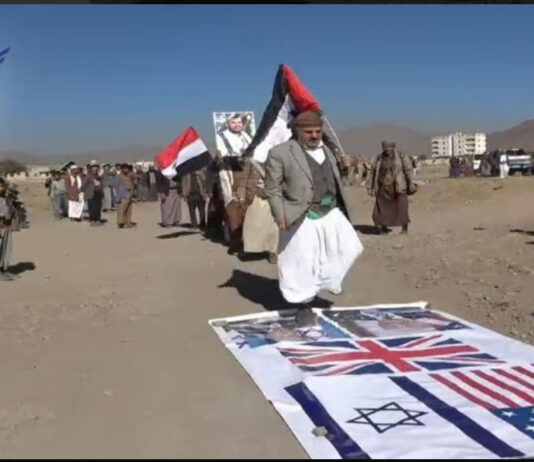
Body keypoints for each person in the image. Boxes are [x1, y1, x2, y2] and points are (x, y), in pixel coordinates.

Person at [264, 111, 363, 306]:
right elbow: (272, 188)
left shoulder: (328, 150)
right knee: (302, 261)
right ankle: (303, 304)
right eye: (309, 132)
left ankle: (328, 281)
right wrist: (279, 214)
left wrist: (345, 167)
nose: (314, 136)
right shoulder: (280, 153)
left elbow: (339, 180)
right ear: (297, 130)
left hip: (331, 210)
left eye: (318, 131)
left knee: (350, 248)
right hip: (301, 213)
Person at [367, 141, 416, 235]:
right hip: (383, 187)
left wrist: (412, 182)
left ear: (393, 147)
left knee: (402, 207)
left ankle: (404, 228)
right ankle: (384, 228)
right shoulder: (379, 158)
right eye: (385, 147)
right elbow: (372, 172)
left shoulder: (401, 155)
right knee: (382, 208)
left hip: (398, 186)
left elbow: (408, 169)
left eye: (389, 147)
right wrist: (370, 186)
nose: (387, 149)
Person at [241, 158, 279, 264]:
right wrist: (244, 194)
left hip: (273, 197)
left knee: (273, 228)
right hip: (256, 196)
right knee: (252, 224)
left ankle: (273, 251)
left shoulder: (278, 160)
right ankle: (251, 248)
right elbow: (245, 178)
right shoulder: (252, 160)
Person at [0, 178, 17, 281]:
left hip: (6, 227)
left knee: (5, 249)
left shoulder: (5, 199)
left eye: (2, 186)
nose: (1, 188)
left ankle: (3, 269)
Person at [114, 163, 135, 229]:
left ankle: (128, 222)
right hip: (122, 194)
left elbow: (133, 182)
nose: (126, 170)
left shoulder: (129, 175)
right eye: (124, 168)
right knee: (122, 210)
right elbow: (116, 187)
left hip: (129, 193)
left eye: (127, 168)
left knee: (129, 209)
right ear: (122, 169)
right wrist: (117, 197)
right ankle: (122, 223)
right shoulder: (119, 176)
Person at [83, 161, 104, 226]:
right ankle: (92, 220)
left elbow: (101, 184)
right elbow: (84, 185)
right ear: (91, 168)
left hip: (98, 194)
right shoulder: (88, 176)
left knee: (98, 207)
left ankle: (97, 220)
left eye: (96, 167)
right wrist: (86, 192)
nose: (95, 168)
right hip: (91, 194)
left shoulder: (99, 176)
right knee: (92, 208)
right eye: (93, 167)